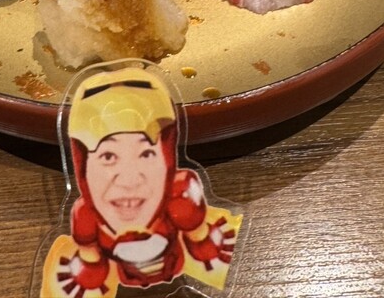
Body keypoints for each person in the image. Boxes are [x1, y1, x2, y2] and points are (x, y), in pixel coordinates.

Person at [40, 66, 242, 298]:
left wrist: (202, 238)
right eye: (108, 156)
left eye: (146, 154)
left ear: (167, 159)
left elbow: (199, 234)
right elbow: (89, 255)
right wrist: (89, 268)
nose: (129, 181)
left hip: (176, 266)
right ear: (83, 167)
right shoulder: (86, 214)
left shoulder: (179, 193)